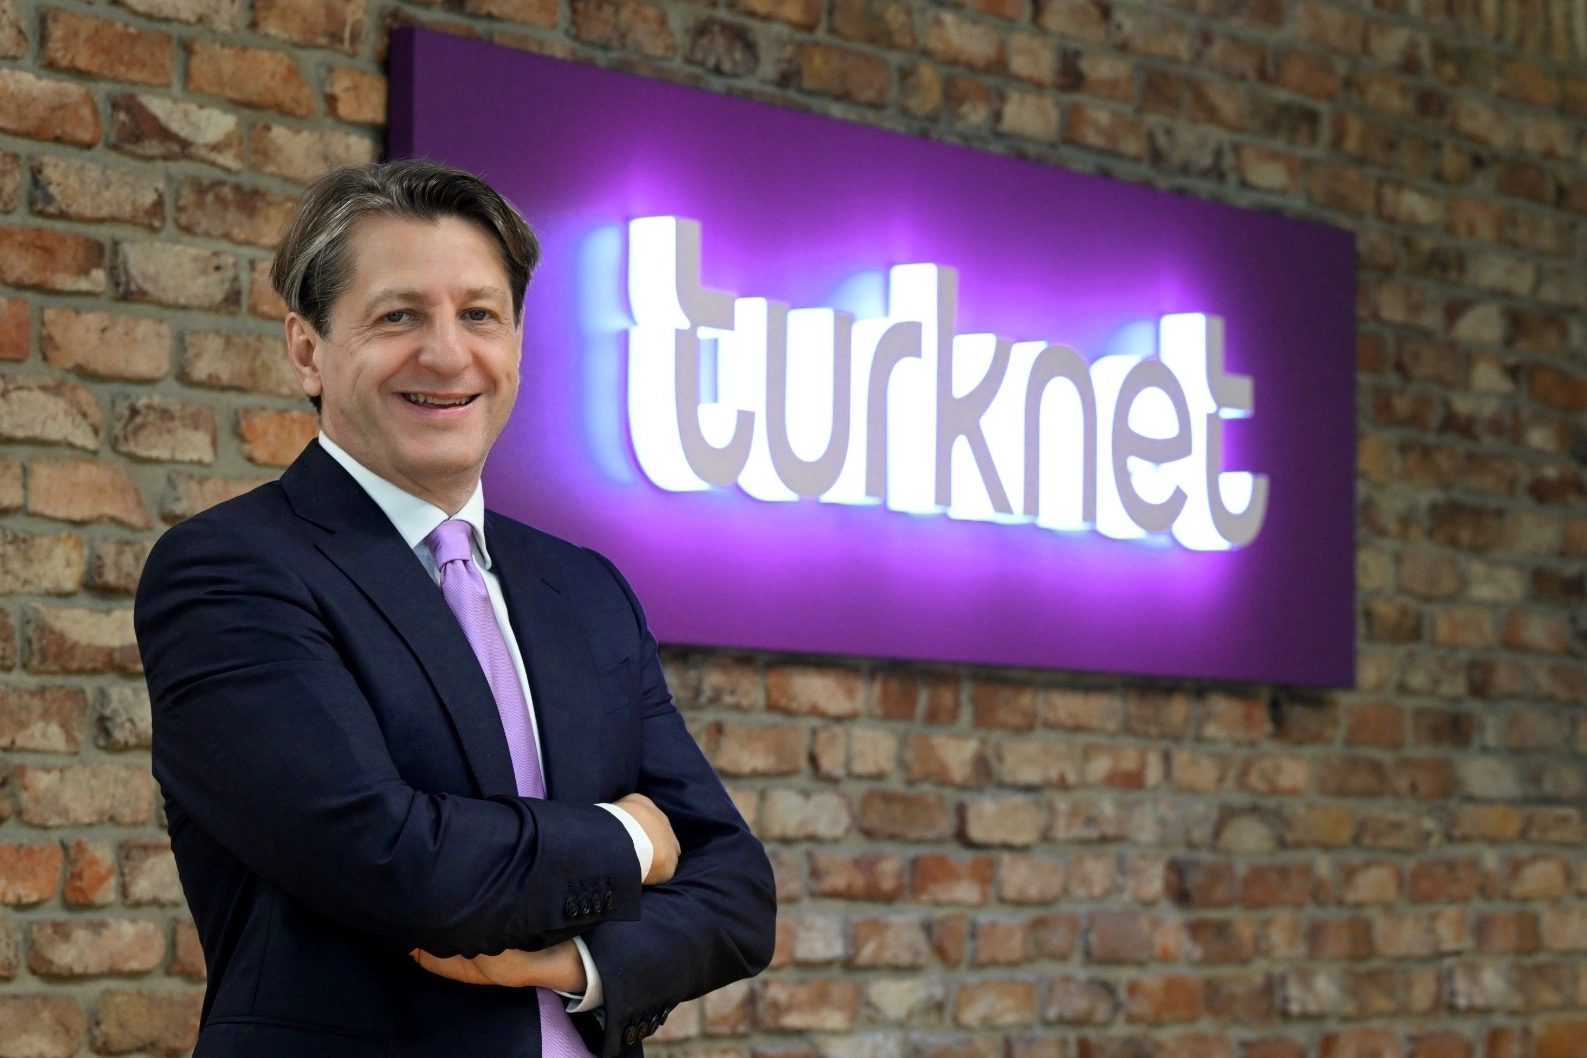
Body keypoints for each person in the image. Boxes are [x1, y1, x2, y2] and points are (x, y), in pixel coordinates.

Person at [134, 159, 777, 1058]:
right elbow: (393, 863)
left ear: (515, 343)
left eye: (479, 315)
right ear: (308, 350)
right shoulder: (230, 571)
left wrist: (579, 962)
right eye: (398, 316)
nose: (446, 354)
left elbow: (736, 889)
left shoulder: (583, 589)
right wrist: (628, 838)